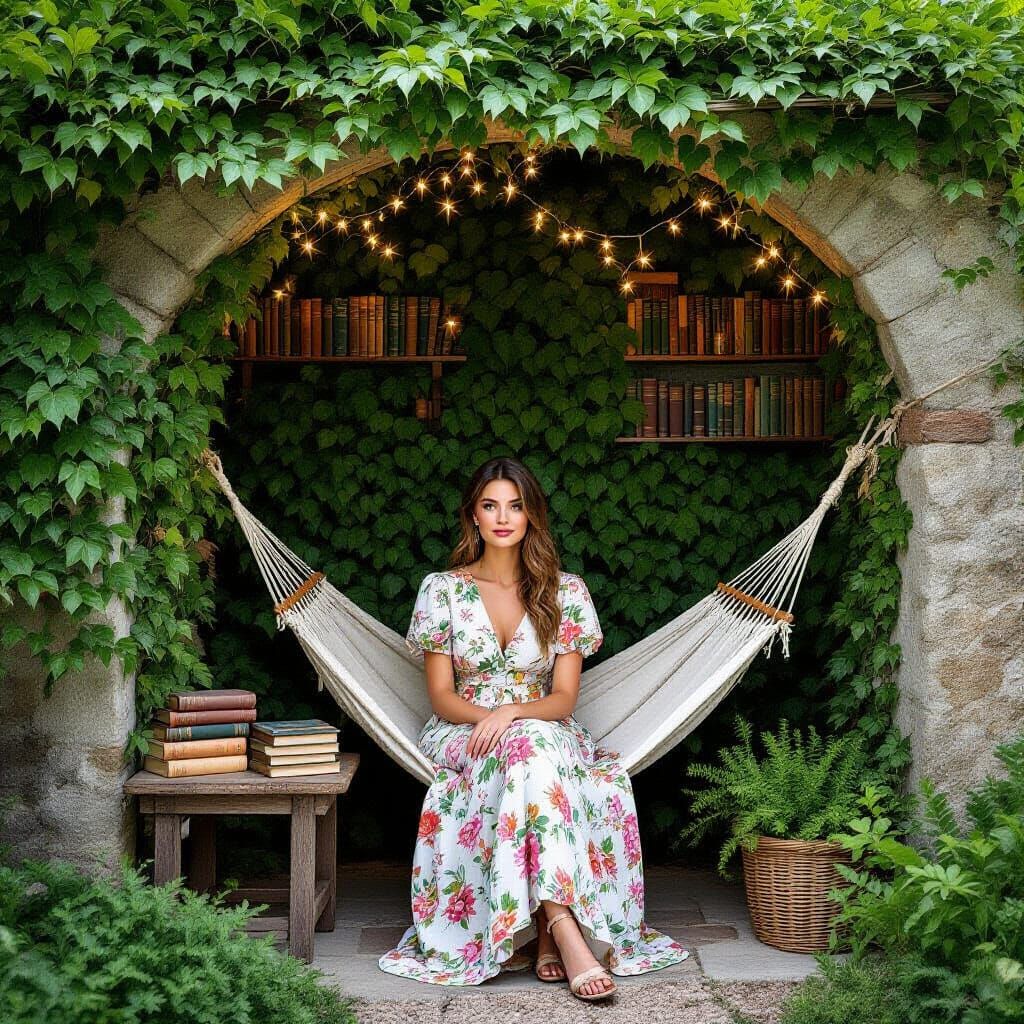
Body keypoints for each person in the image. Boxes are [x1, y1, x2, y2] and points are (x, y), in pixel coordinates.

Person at [378, 456, 689, 1000]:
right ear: (473, 515)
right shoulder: (441, 591)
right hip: (465, 731)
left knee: (531, 745)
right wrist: (494, 717)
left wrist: (514, 712)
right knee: (526, 748)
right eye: (491, 505)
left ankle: (551, 925)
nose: (503, 517)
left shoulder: (565, 592)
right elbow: (443, 698)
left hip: (544, 728)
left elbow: (564, 699)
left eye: (516, 506)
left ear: (531, 517)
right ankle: (561, 930)